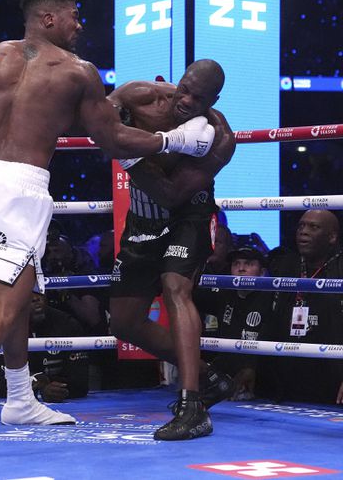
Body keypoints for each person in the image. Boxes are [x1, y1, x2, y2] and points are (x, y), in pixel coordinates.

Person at [0, 0, 216, 460]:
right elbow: (110, 140)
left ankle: (20, 399)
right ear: (49, 18)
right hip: (17, 189)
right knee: (2, 309)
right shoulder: (76, 71)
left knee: (21, 294)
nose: (80, 24)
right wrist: (172, 142)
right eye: (74, 15)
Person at [106, 59, 236, 440]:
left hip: (187, 215)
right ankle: (210, 377)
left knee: (175, 286)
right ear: (177, 81)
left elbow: (172, 192)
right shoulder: (141, 95)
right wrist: (115, 123)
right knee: (124, 322)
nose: (186, 100)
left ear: (214, 100)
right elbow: (103, 111)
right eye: (184, 89)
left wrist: (127, 151)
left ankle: (191, 404)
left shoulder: (220, 137)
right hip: (142, 222)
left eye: (198, 98)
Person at [259, 210, 343, 404]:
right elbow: (267, 318)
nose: (303, 232)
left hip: (331, 380)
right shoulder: (286, 265)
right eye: (301, 226)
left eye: (314, 227)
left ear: (332, 236)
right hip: (285, 382)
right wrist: (251, 366)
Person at [195, 247, 272, 401]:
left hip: (262, 376)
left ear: (262, 272)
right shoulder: (224, 293)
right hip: (225, 373)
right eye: (236, 264)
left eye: (248, 264)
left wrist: (251, 368)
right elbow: (191, 297)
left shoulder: (271, 300)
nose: (241, 269)